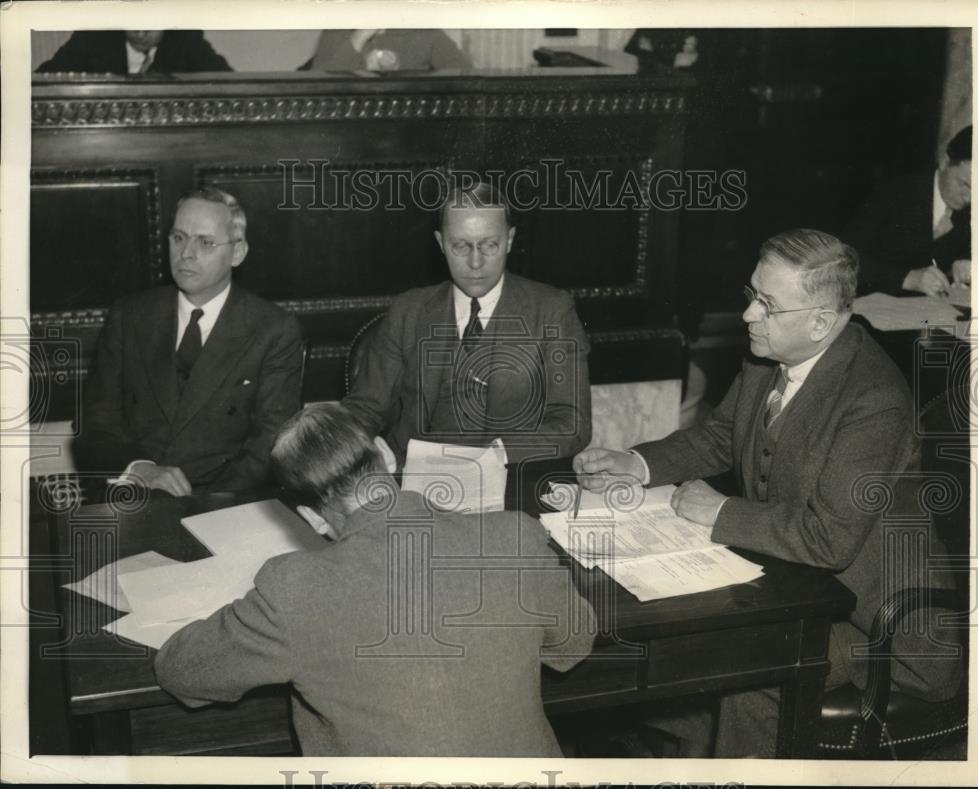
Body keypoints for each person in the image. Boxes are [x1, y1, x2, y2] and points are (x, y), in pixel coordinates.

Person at [573, 229, 962, 756]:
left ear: (820, 321)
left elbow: (829, 540)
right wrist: (637, 463)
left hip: (884, 632)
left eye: (767, 305)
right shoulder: (768, 359)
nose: (749, 315)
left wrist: (720, 511)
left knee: (748, 667)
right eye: (752, 294)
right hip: (801, 587)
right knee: (685, 645)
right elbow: (718, 436)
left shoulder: (874, 403)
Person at [154, 403, 596, 756]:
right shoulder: (512, 535)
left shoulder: (294, 589)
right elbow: (572, 645)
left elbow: (180, 671)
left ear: (311, 517)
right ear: (386, 454)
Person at [342, 180, 592, 464]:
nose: (475, 262)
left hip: (510, 482)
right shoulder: (407, 311)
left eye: (490, 245)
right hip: (409, 481)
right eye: (460, 246)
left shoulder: (551, 310)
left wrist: (497, 456)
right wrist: (368, 455)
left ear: (509, 240)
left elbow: (573, 423)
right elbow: (364, 410)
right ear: (441, 243)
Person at [73, 187, 302, 496]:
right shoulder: (130, 316)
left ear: (237, 253)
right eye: (179, 238)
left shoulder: (273, 329)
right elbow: (97, 424)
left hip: (224, 503)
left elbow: (269, 445)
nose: (186, 254)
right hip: (132, 491)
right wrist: (139, 469)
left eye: (205, 242)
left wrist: (205, 508)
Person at [843, 125, 971, 296]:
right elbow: (845, 259)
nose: (969, 198)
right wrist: (907, 278)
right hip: (871, 304)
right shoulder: (894, 192)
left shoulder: (977, 209)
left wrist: (966, 264)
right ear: (944, 162)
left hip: (927, 313)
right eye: (964, 184)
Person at [36, 30, 232, 74]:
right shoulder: (92, 38)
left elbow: (227, 82)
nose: (141, 32)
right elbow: (44, 80)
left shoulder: (186, 39)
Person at [305, 29, 471, 71]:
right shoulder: (336, 32)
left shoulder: (425, 33)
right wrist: (358, 38)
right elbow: (313, 90)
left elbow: (468, 81)